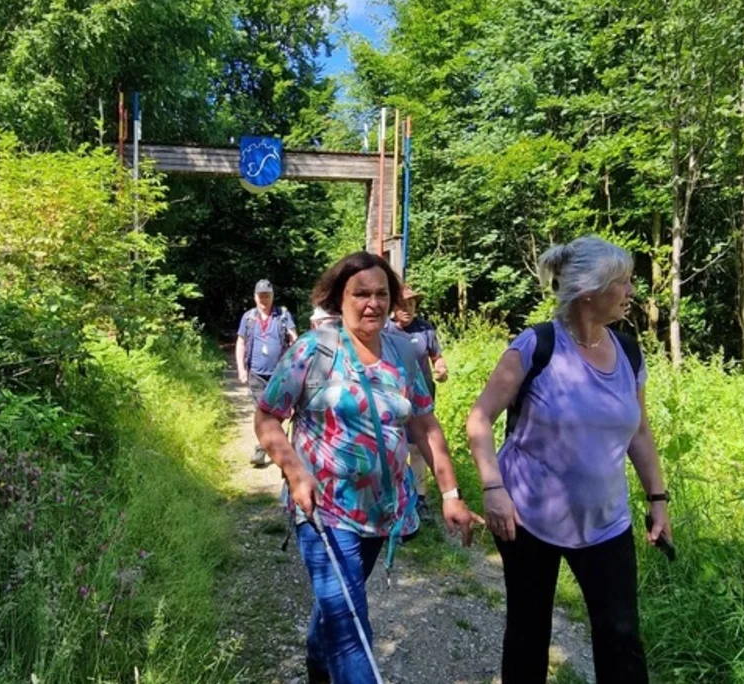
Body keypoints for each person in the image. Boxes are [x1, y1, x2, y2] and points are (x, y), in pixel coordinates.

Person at [255, 252, 481, 684]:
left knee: (336, 613)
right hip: (322, 509)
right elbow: (266, 417)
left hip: (381, 513)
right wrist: (295, 473)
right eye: (361, 293)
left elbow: (423, 423)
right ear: (338, 299)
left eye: (381, 294)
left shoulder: (400, 350)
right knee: (351, 627)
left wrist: (451, 494)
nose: (372, 303)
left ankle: (317, 669)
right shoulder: (312, 350)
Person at [465, 236, 670, 684]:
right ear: (589, 289)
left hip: (606, 521)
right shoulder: (536, 346)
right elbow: (479, 420)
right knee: (528, 633)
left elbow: (639, 430)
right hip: (527, 516)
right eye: (624, 282)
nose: (632, 292)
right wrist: (492, 489)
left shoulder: (629, 353)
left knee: (621, 636)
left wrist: (658, 498)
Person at [386, 286, 448, 521]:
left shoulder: (425, 329)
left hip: (422, 399)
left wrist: (441, 369)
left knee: (418, 447)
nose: (408, 309)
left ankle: (420, 499)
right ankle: (395, 497)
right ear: (393, 308)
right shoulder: (385, 330)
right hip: (393, 397)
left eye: (412, 305)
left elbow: (437, 357)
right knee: (394, 446)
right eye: (403, 305)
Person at [237, 279, 297, 467]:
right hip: (256, 373)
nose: (264, 299)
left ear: (272, 297)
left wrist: (295, 366)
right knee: (263, 412)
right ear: (255, 297)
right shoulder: (248, 318)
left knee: (277, 412)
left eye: (267, 296)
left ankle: (273, 443)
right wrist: (241, 368)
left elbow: (295, 340)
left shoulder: (283, 316)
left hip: (279, 373)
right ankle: (263, 448)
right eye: (261, 296)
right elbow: (240, 343)